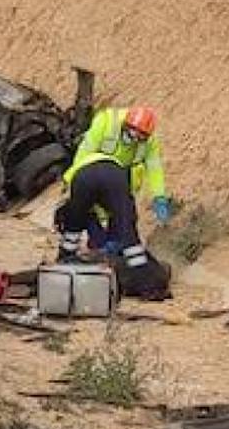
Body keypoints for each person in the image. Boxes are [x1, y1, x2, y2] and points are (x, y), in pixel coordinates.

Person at [56, 106, 172, 291]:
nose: (135, 138)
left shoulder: (149, 142)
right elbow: (84, 152)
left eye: (141, 136)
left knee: (105, 227)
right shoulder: (106, 122)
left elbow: (154, 168)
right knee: (120, 229)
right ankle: (142, 276)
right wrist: (74, 186)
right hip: (98, 177)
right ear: (125, 124)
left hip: (109, 181)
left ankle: (66, 258)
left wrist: (160, 197)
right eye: (132, 132)